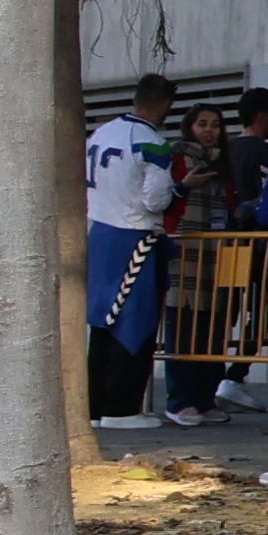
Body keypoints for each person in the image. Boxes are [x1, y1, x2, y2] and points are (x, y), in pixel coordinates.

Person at [84, 76, 180, 426]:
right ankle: (122, 407)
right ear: (166, 104)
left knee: (102, 322)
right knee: (135, 322)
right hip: (136, 236)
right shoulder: (152, 142)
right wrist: (179, 190)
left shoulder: (103, 132)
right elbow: (156, 198)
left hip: (101, 233)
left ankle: (94, 405)